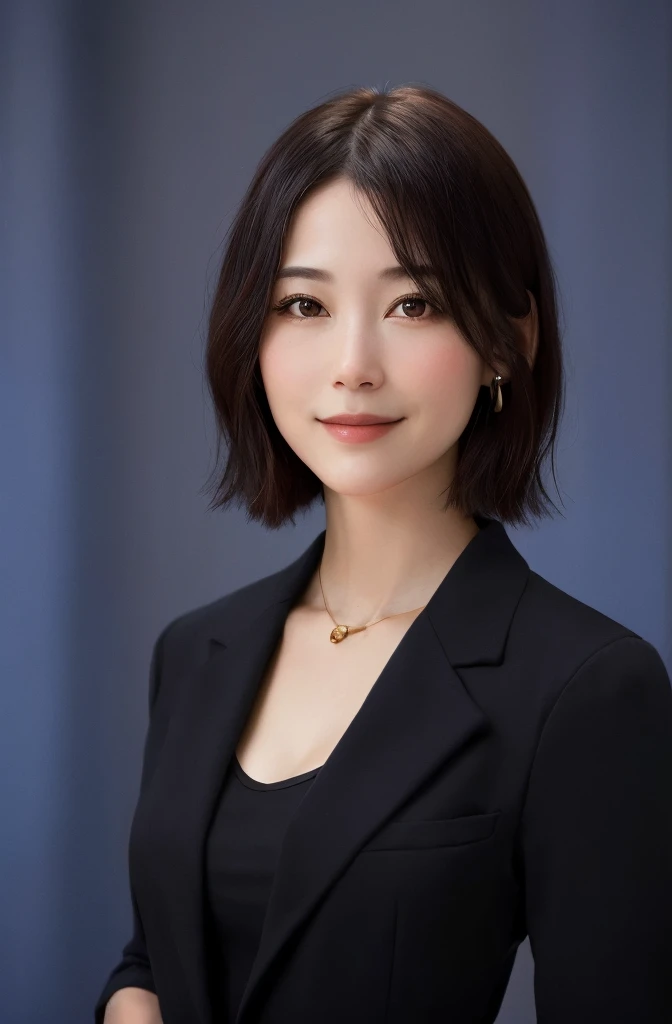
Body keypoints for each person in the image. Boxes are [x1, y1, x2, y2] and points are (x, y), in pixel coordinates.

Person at [95, 85, 672, 1024]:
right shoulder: (196, 652)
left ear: (507, 341)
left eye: (414, 303)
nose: (353, 362)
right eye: (302, 304)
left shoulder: (587, 689)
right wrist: (130, 1000)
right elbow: (158, 952)